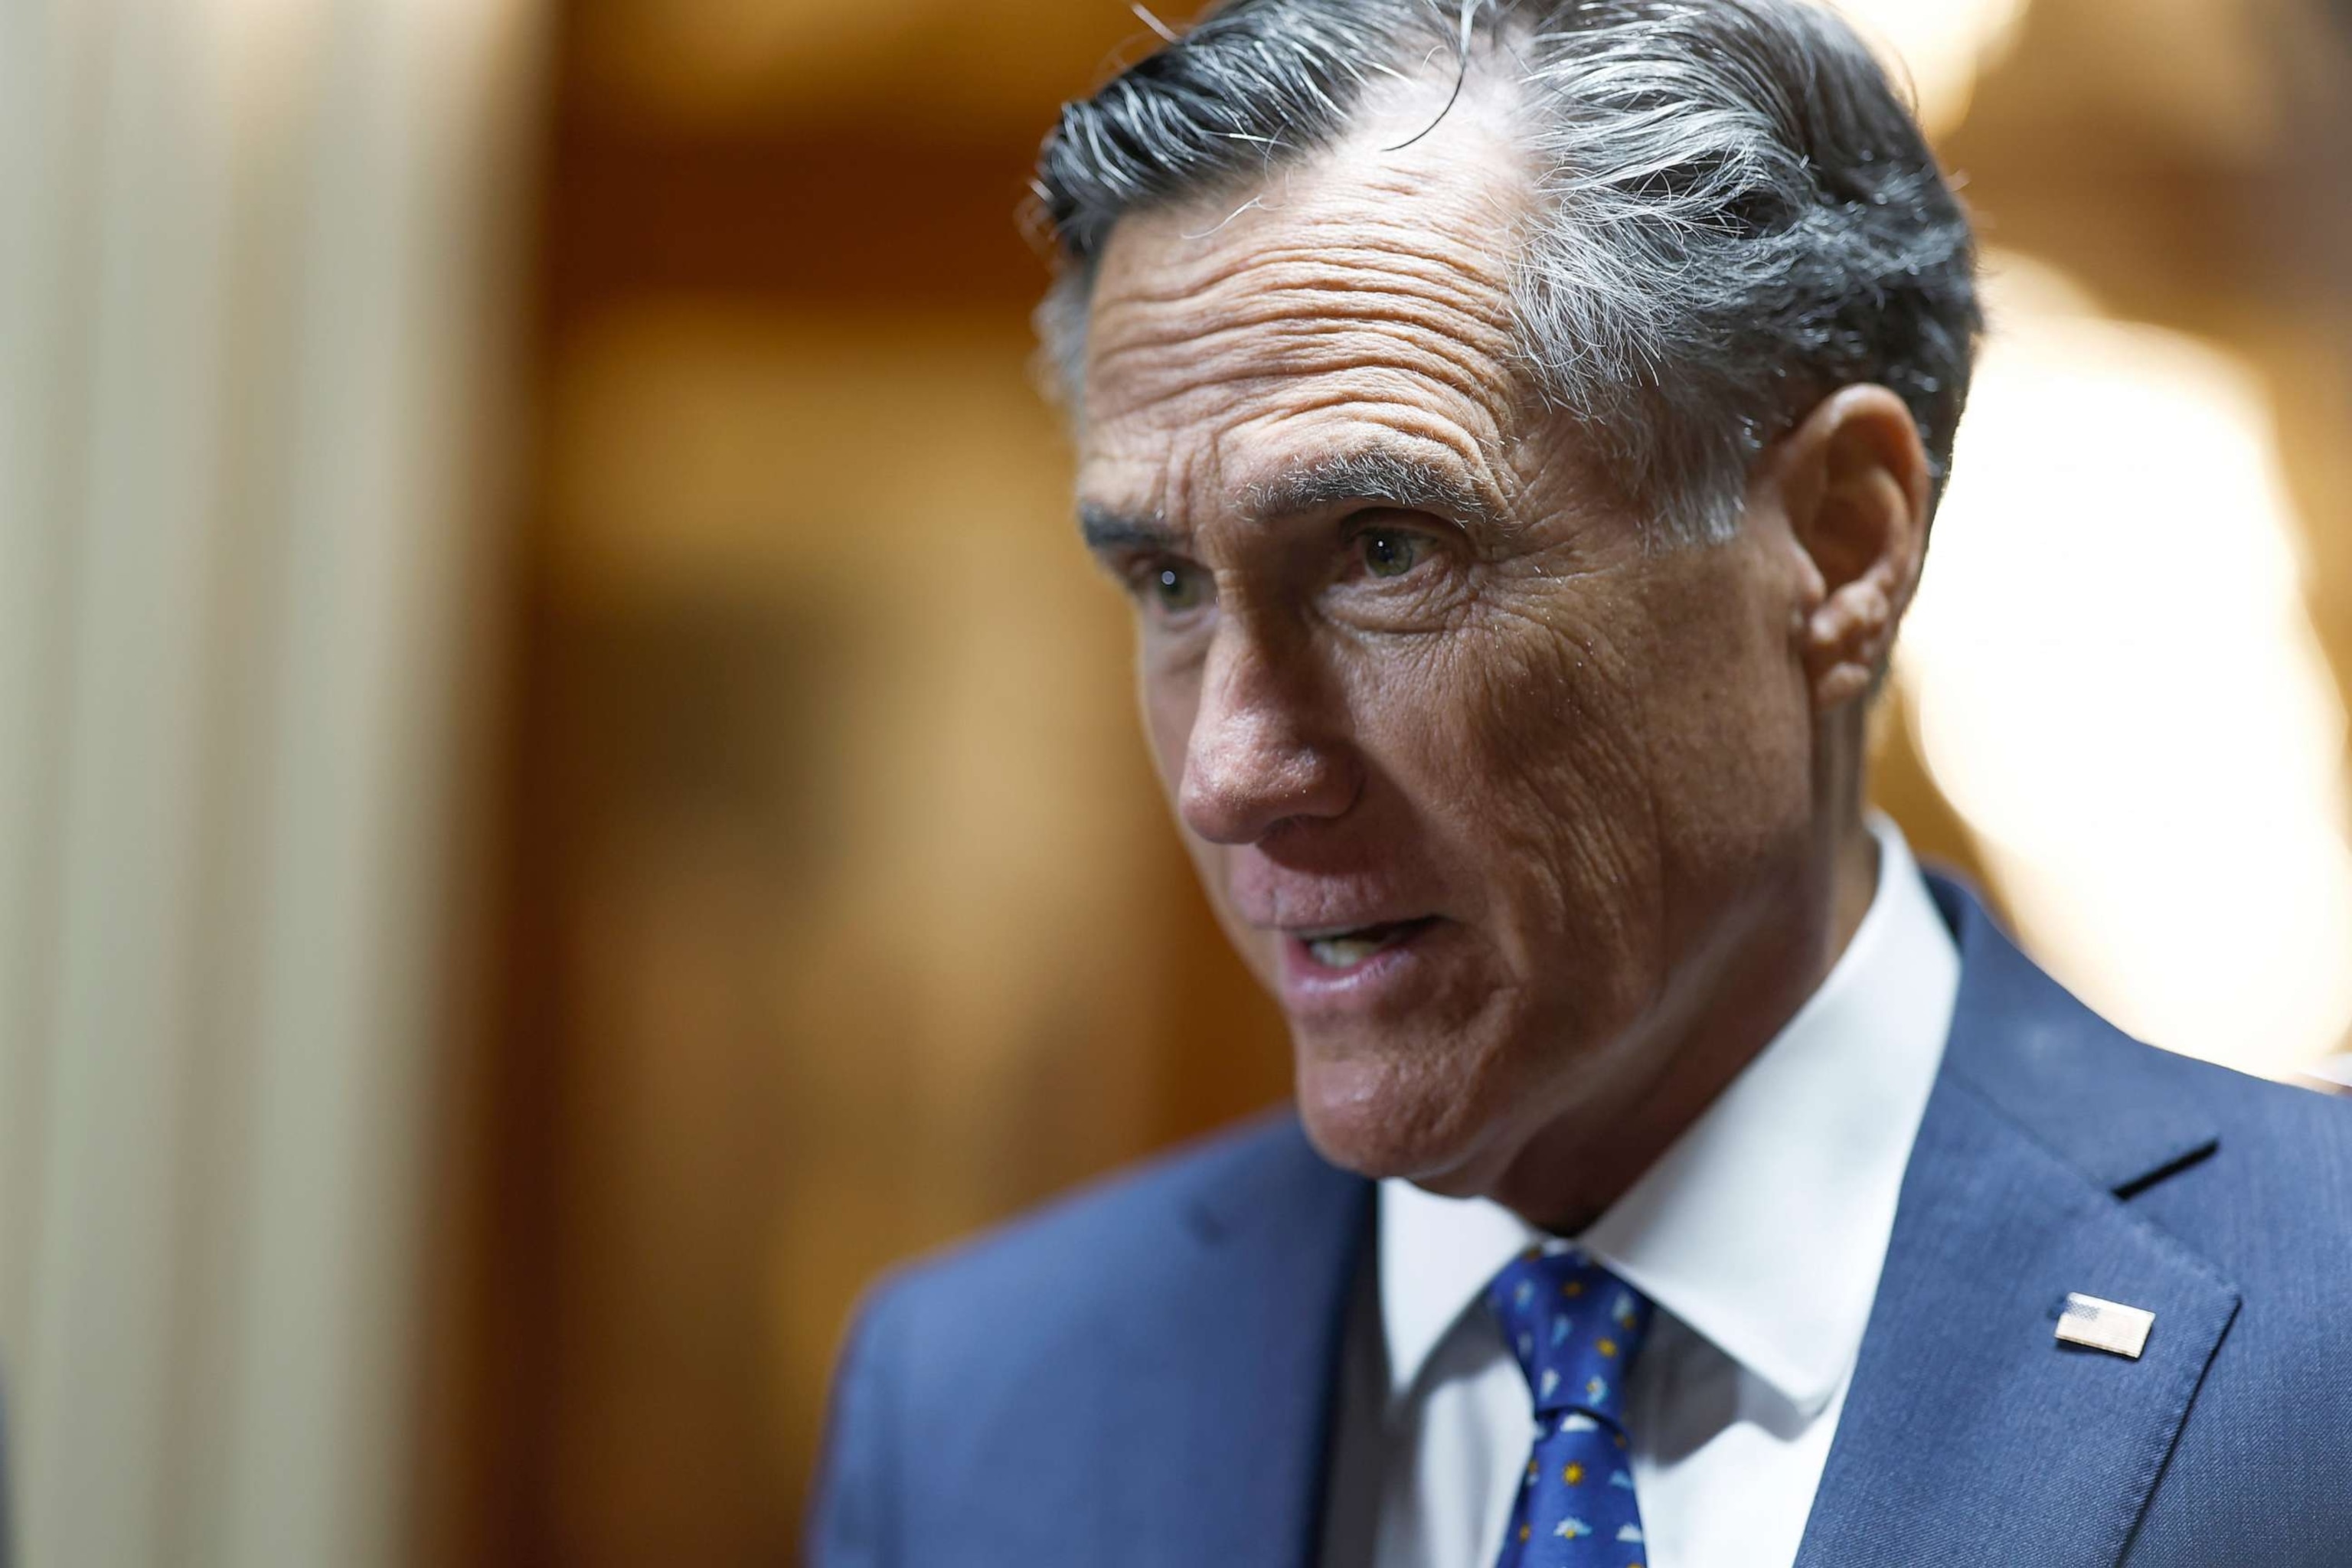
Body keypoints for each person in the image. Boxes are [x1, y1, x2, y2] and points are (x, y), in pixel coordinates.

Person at [807, 2, 2352, 1563]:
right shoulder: (972, 1412)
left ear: (1838, 542)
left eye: (1384, 552)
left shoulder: (2321, 1342)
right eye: (1168, 583)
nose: (1231, 770)